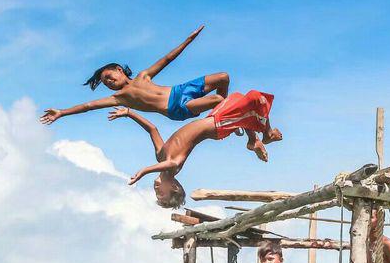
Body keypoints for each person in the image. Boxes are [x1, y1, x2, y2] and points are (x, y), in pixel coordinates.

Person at [117, 89, 282, 208]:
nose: (156, 191)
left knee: (239, 99)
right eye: (161, 194)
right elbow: (170, 163)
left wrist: (130, 113)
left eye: (157, 195)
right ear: (174, 187)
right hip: (217, 126)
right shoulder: (174, 167)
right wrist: (144, 171)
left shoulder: (160, 156)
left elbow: (152, 129)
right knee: (254, 98)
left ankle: (253, 140)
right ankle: (265, 135)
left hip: (213, 119)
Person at [39, 25, 231, 126]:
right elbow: (88, 106)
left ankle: (226, 115)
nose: (109, 82)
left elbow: (166, 59)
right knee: (217, 99)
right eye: (106, 83)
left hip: (180, 90)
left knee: (223, 77)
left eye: (109, 77)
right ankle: (225, 117)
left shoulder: (143, 76)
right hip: (176, 107)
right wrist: (62, 112)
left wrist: (188, 40)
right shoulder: (119, 98)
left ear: (119, 70)